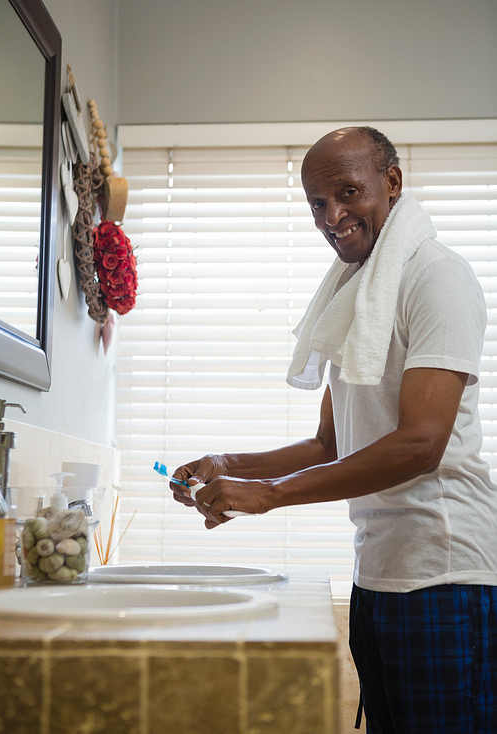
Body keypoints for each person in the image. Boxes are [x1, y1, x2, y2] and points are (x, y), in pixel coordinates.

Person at [170, 126, 497, 734]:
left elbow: (422, 444)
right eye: (318, 203)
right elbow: (331, 443)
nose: (333, 216)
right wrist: (227, 462)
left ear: (392, 184)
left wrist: (268, 495)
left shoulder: (437, 279)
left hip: (443, 573)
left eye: (348, 193)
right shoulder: (359, 295)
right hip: (378, 573)